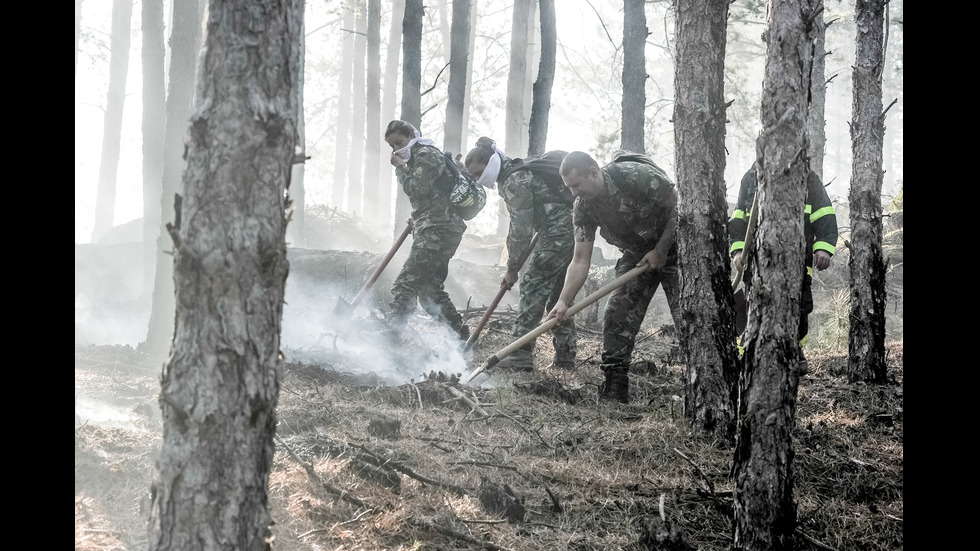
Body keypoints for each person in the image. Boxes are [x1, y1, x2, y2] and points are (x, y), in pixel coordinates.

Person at [547, 151, 681, 403]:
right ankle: (615, 387)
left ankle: (703, 383)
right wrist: (565, 301)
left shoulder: (634, 175)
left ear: (594, 172)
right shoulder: (583, 206)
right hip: (638, 255)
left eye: (576, 185)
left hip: (680, 247)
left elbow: (680, 207)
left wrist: (661, 249)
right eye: (569, 187)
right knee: (617, 315)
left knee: (690, 318)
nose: (574, 193)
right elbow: (580, 259)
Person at [463, 138, 577, 371]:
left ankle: (519, 354)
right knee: (559, 294)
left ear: (490, 163)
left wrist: (512, 267)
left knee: (534, 284)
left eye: (477, 173)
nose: (476, 180)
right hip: (572, 229)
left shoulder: (514, 180)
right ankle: (566, 356)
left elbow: (521, 229)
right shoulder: (517, 170)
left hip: (560, 232)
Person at [729, 162, 838, 347]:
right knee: (753, 308)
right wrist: (738, 252)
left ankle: (795, 352)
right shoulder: (751, 178)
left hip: (797, 264)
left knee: (799, 309)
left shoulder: (808, 178)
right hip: (757, 264)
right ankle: (749, 354)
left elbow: (825, 217)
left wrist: (823, 248)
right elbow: (739, 220)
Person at [383, 120, 469, 341]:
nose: (396, 150)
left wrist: (400, 169)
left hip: (439, 228)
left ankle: (391, 334)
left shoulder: (426, 154)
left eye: (399, 142)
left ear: (412, 135)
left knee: (407, 281)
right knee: (429, 291)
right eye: (392, 146)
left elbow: (417, 188)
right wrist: (418, 216)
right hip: (437, 226)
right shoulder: (418, 157)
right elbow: (432, 195)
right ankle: (460, 335)